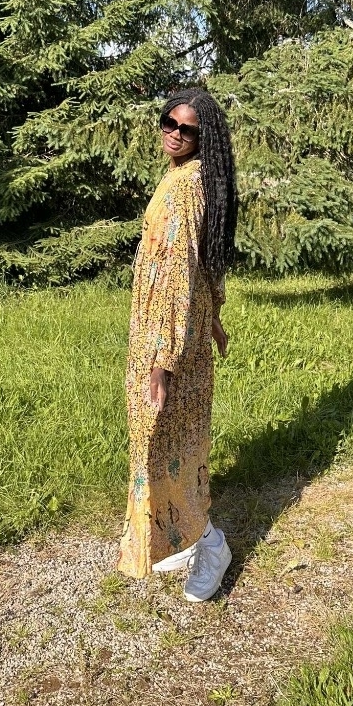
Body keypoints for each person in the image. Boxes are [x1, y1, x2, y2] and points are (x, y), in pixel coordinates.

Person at [116, 87, 238, 601]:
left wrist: (162, 361)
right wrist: (213, 316)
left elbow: (180, 274)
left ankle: (211, 543)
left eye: (188, 129)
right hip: (177, 327)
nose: (175, 133)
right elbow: (207, 258)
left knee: (159, 440)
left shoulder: (187, 187)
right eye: (169, 122)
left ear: (202, 136)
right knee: (174, 442)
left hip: (167, 338)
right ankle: (180, 534)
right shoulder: (185, 176)